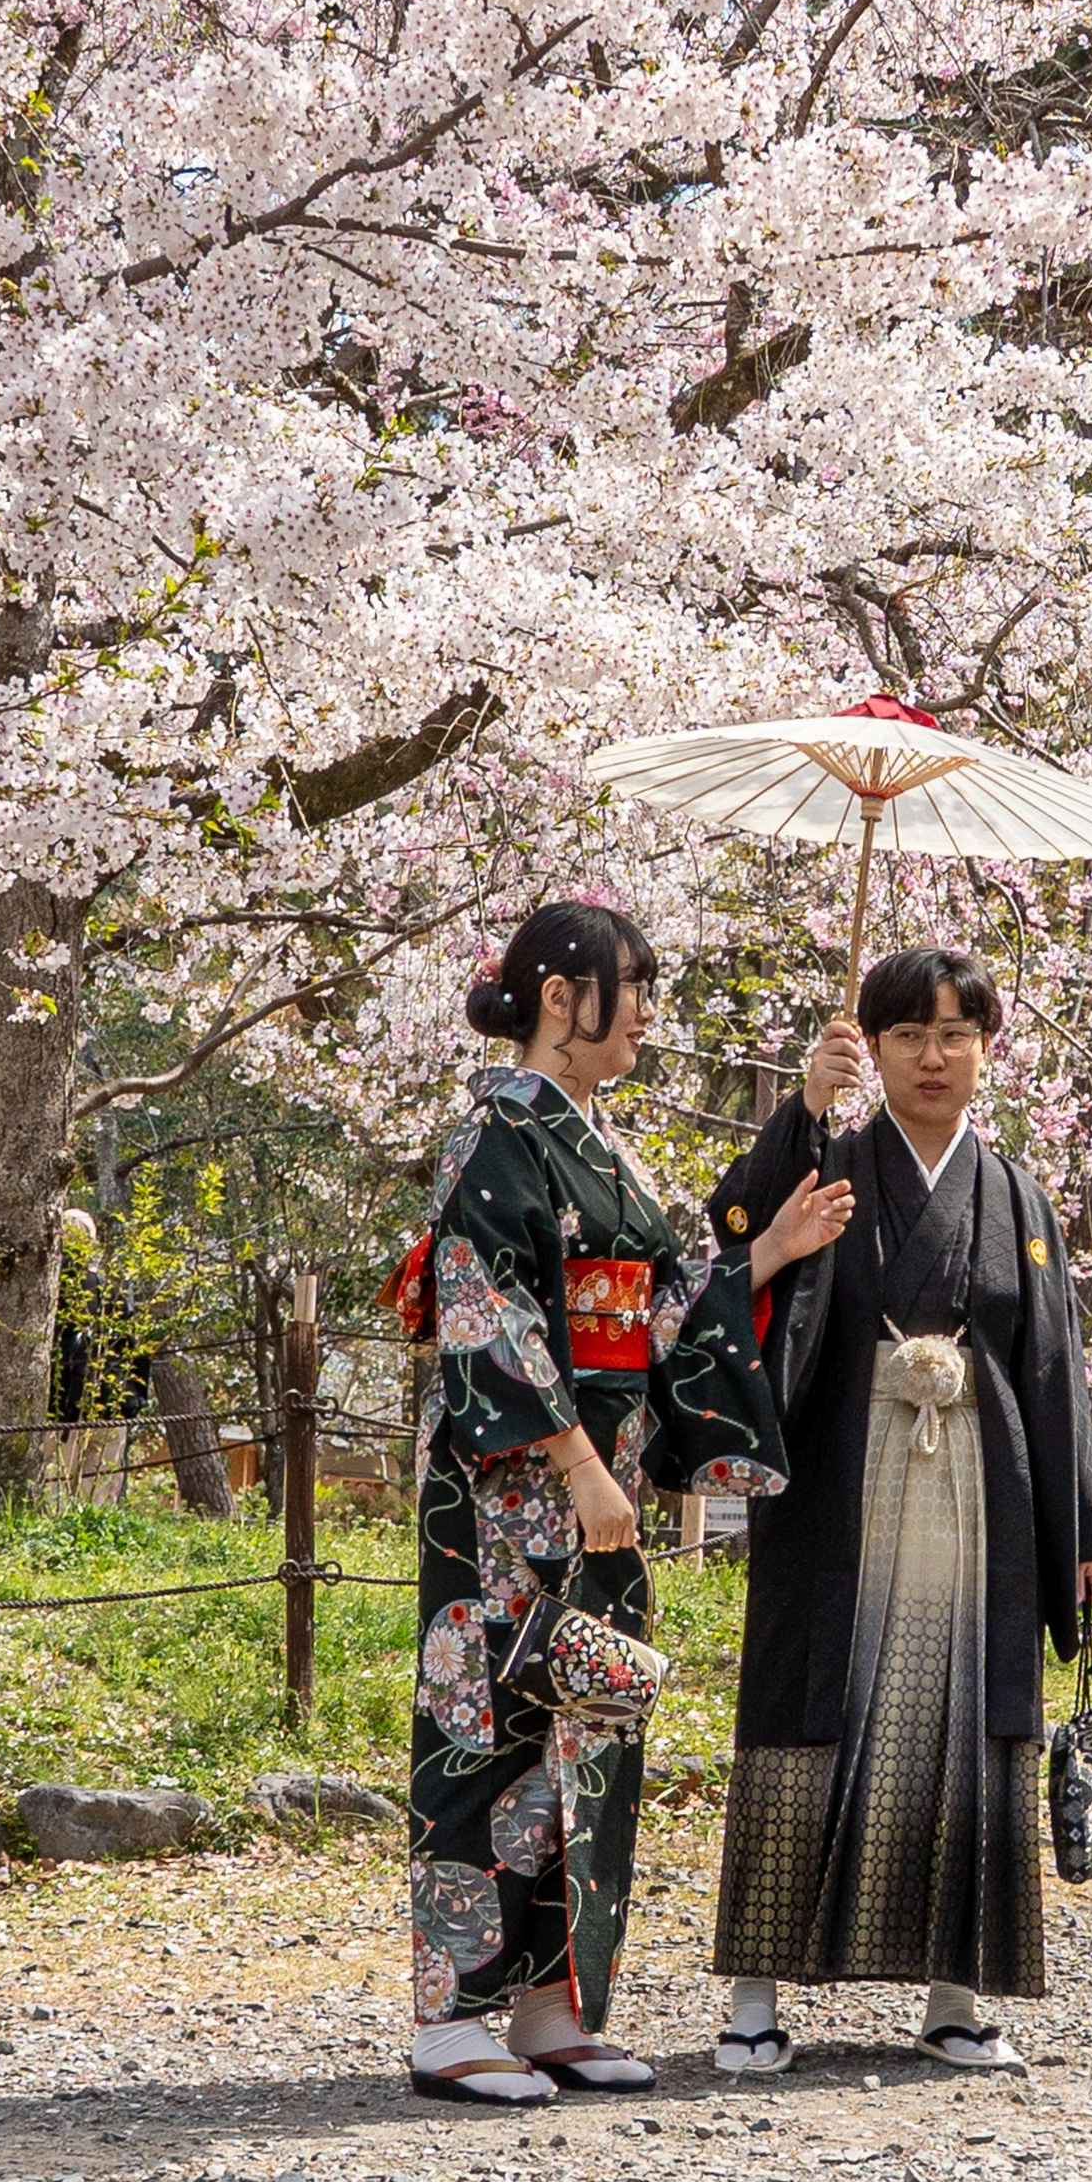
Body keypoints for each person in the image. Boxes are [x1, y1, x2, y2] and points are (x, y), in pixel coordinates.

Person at [405, 899, 855, 2109]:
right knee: (487, 1722)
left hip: (595, 1482)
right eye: (633, 987)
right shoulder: (494, 1133)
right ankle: (451, 2016)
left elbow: (661, 1308)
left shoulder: (603, 1143)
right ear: (562, 997)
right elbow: (485, 1312)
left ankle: (552, 2007)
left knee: (590, 1725)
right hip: (510, 1487)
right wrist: (575, 1462)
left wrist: (771, 1250)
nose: (648, 1011)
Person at [704, 946, 1092, 2078]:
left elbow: (1054, 1369)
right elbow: (735, 1231)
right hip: (842, 1482)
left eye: (955, 1034)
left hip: (980, 1497)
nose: (933, 1056)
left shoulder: (1017, 1198)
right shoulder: (831, 1167)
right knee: (805, 1716)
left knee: (964, 1728)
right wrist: (804, 1107)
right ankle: (755, 1992)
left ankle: (953, 1994)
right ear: (872, 1048)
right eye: (907, 1035)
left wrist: (1083, 1528)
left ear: (986, 1048)